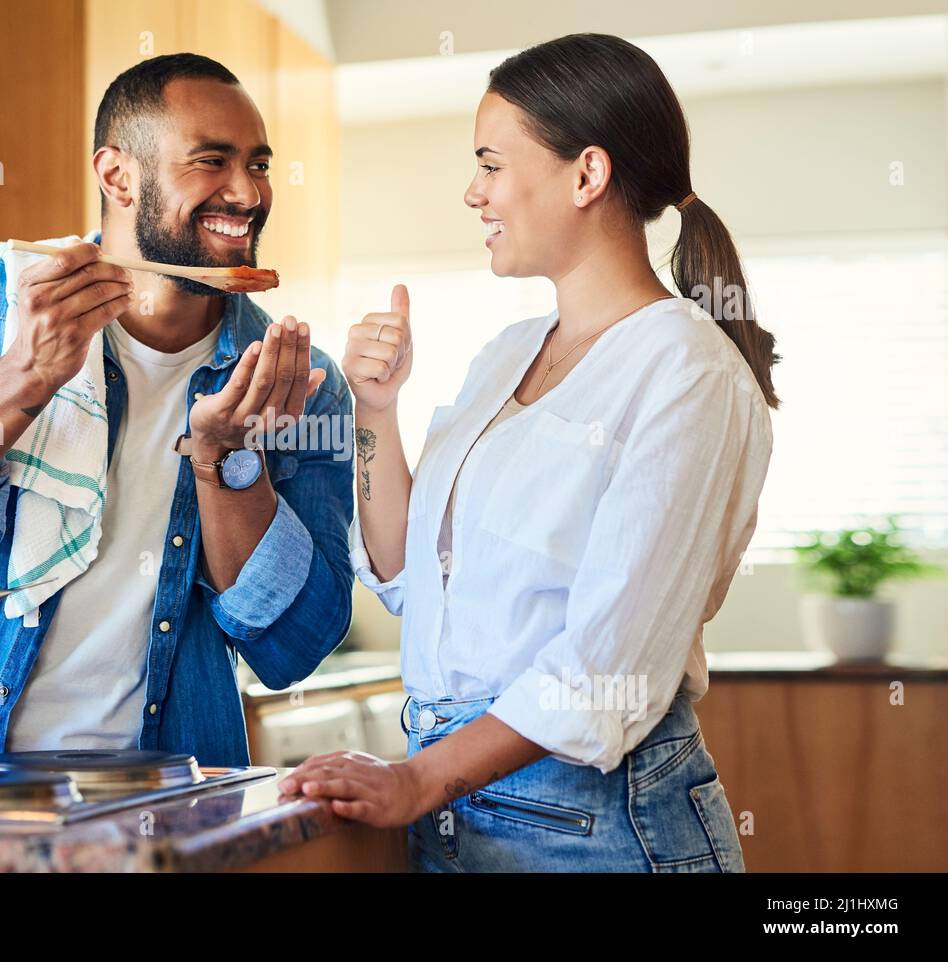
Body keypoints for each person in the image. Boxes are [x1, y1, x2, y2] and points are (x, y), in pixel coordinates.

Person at [280, 33, 777, 872]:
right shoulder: (506, 354)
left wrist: (418, 779)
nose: (472, 193)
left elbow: (608, 667)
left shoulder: (688, 372)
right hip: (455, 806)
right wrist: (376, 409)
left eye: (491, 164)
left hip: (596, 823)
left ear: (588, 174)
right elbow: (404, 570)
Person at [0, 53, 353, 766]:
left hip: (170, 801)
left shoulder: (299, 380)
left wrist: (226, 462)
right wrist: (25, 374)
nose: (247, 192)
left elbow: (298, 645)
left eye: (258, 164)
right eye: (212, 161)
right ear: (117, 176)